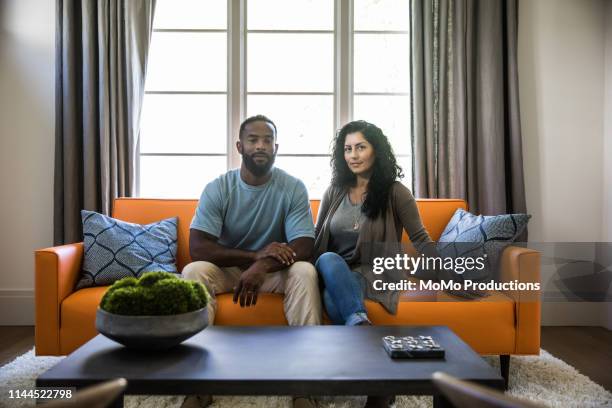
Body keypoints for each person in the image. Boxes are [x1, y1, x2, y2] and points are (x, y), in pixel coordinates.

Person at [182, 115, 321, 408]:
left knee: (305, 270)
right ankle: (198, 384)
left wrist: (262, 265)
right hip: (230, 271)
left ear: (276, 147)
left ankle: (305, 384)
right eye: (253, 140)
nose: (261, 146)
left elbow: (304, 245)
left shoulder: (292, 187)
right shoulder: (219, 188)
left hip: (274, 272)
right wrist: (253, 256)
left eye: (267, 140)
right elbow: (198, 246)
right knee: (193, 270)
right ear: (239, 146)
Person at [313, 120, 437, 408]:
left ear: (376, 151)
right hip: (334, 270)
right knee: (328, 259)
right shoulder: (334, 190)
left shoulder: (395, 192)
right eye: (347, 149)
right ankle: (380, 373)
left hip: (374, 271)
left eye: (360, 147)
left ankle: (364, 345)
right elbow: (317, 237)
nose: (353, 155)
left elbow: (420, 238)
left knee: (334, 302)